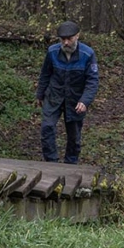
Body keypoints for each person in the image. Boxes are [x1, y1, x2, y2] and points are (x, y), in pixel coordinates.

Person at [35, 21, 99, 164]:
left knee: (74, 136)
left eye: (69, 39)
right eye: (62, 39)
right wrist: (40, 94)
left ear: (77, 36)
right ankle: (51, 162)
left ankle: (71, 164)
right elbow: (45, 74)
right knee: (47, 127)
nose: (66, 42)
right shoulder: (52, 52)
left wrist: (85, 101)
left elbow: (92, 81)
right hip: (54, 95)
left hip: (75, 99)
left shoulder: (87, 54)